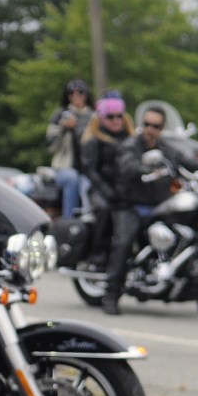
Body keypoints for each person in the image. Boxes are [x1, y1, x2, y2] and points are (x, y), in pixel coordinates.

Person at [105, 104, 198, 315]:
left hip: (158, 206)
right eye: (147, 124)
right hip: (131, 204)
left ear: (162, 128)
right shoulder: (131, 145)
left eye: (155, 125)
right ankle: (111, 294)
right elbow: (128, 166)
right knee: (124, 241)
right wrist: (146, 170)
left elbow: (187, 162)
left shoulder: (166, 148)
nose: (150, 129)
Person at [80, 91, 135, 268]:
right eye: (110, 116)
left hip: (124, 189)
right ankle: (98, 253)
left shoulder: (130, 138)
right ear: (101, 118)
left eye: (119, 116)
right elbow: (90, 170)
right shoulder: (93, 139)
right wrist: (107, 191)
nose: (115, 120)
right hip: (100, 188)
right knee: (104, 209)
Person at [46, 78, 93, 218]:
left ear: (86, 95)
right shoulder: (60, 115)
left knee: (87, 184)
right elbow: (49, 146)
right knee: (73, 178)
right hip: (63, 167)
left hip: (88, 168)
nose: (76, 96)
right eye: (71, 93)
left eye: (80, 93)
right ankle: (69, 222)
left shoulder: (94, 117)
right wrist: (64, 129)